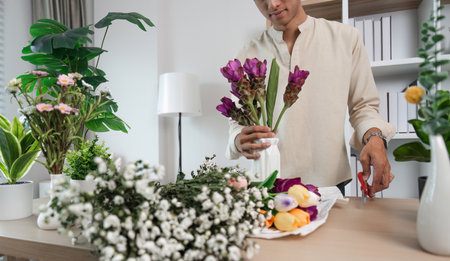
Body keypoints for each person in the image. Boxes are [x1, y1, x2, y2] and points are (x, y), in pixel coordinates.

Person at [225, 0, 395, 197]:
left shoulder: (346, 38)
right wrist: (238, 140)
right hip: (268, 185)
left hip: (329, 183)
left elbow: (363, 107)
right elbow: (237, 123)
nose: (272, 4)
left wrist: (375, 137)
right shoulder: (248, 53)